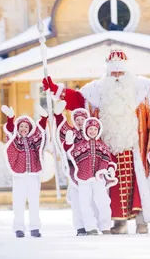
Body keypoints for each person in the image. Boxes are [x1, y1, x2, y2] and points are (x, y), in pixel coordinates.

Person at [43, 48, 150, 234]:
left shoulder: (140, 88)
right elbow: (75, 99)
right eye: (113, 72)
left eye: (120, 72)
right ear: (108, 72)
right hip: (107, 148)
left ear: (127, 72)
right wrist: (55, 90)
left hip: (135, 147)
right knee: (113, 187)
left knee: (139, 185)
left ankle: (141, 221)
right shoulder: (95, 90)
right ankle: (118, 222)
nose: (116, 76)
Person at [63, 117, 118, 235]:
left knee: (103, 201)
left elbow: (107, 159)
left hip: (98, 178)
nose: (92, 131)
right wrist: (67, 144)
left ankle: (105, 226)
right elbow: (70, 155)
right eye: (90, 129)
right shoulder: (80, 146)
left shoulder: (102, 146)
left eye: (95, 129)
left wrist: (107, 169)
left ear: (98, 131)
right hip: (83, 179)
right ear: (86, 129)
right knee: (85, 203)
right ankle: (90, 227)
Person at [1, 105, 48, 238]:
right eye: (21, 126)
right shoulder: (14, 139)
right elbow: (9, 130)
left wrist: (44, 118)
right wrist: (10, 118)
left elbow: (42, 131)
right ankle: (18, 227)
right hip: (19, 175)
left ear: (30, 128)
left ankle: (35, 227)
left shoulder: (35, 139)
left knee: (34, 201)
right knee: (18, 201)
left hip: (33, 174)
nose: (23, 129)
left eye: (26, 127)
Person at [54, 100, 98, 236]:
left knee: (92, 200)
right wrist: (58, 115)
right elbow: (61, 128)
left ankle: (92, 224)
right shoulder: (71, 133)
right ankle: (80, 226)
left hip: (92, 172)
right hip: (76, 171)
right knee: (77, 199)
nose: (79, 122)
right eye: (77, 119)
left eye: (82, 119)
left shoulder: (92, 132)